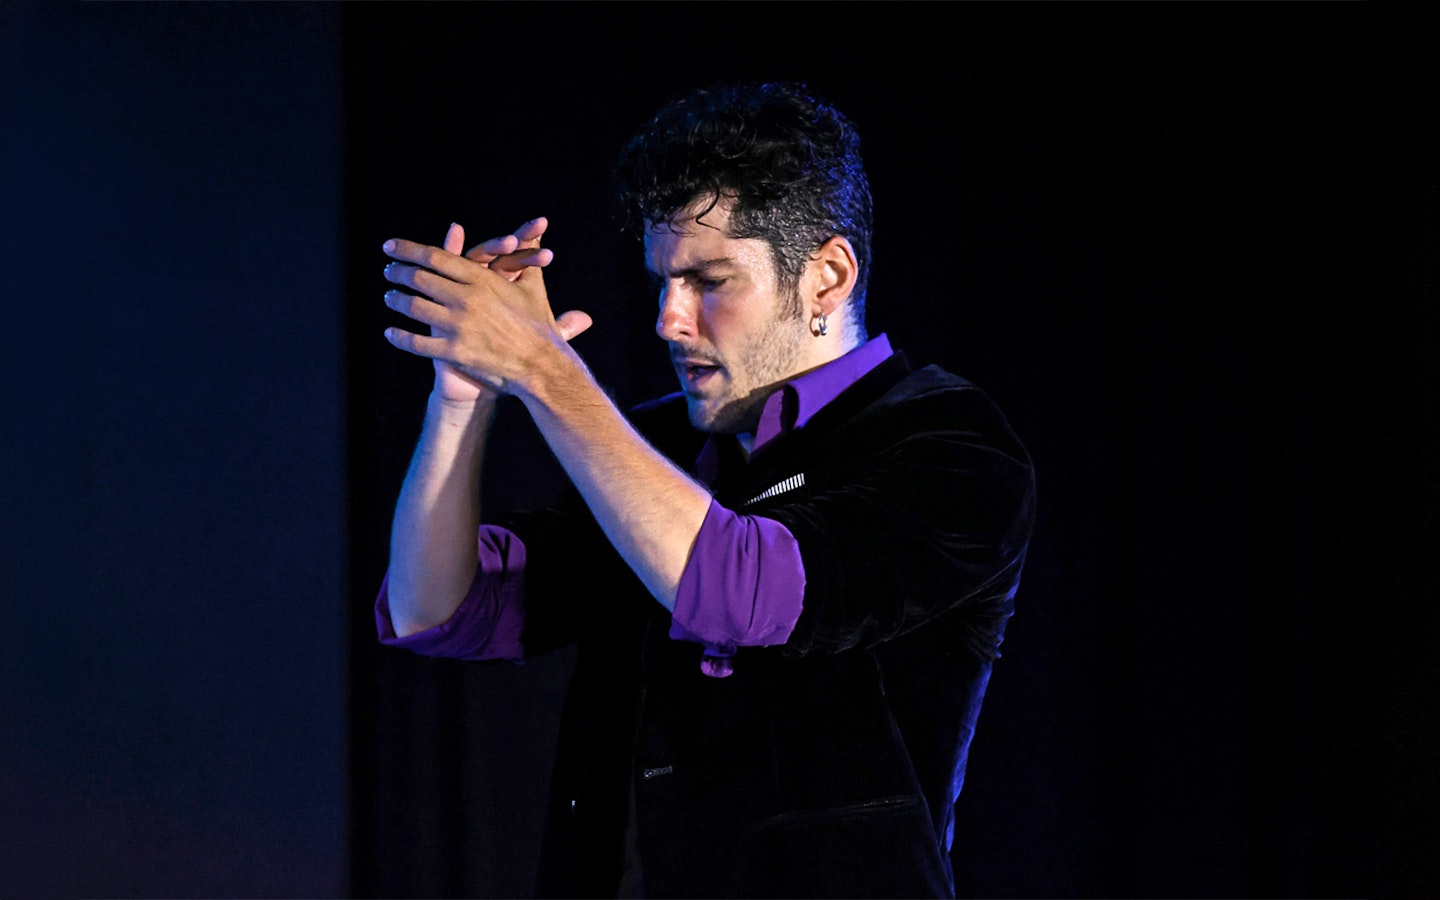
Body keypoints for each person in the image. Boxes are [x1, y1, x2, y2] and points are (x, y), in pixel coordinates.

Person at [375, 82, 1035, 898]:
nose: (668, 318)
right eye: (663, 281)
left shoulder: (949, 443)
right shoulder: (657, 444)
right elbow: (437, 611)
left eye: (708, 281)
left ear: (827, 278)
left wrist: (544, 369)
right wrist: (463, 398)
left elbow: (740, 590)